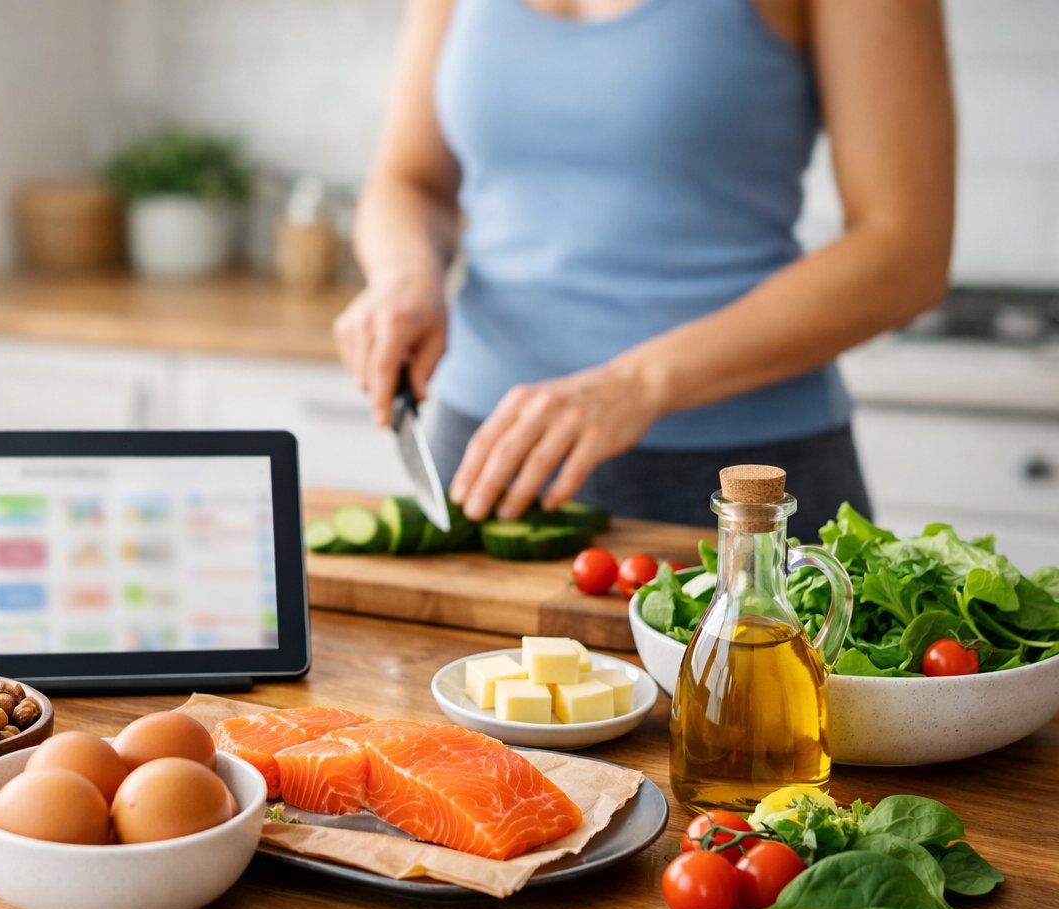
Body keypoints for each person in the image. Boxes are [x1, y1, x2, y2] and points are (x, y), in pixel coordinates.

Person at [333, 0, 953, 534]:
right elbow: (410, 180)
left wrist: (637, 383)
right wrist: (404, 276)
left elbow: (906, 250)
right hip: (485, 459)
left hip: (741, 483)